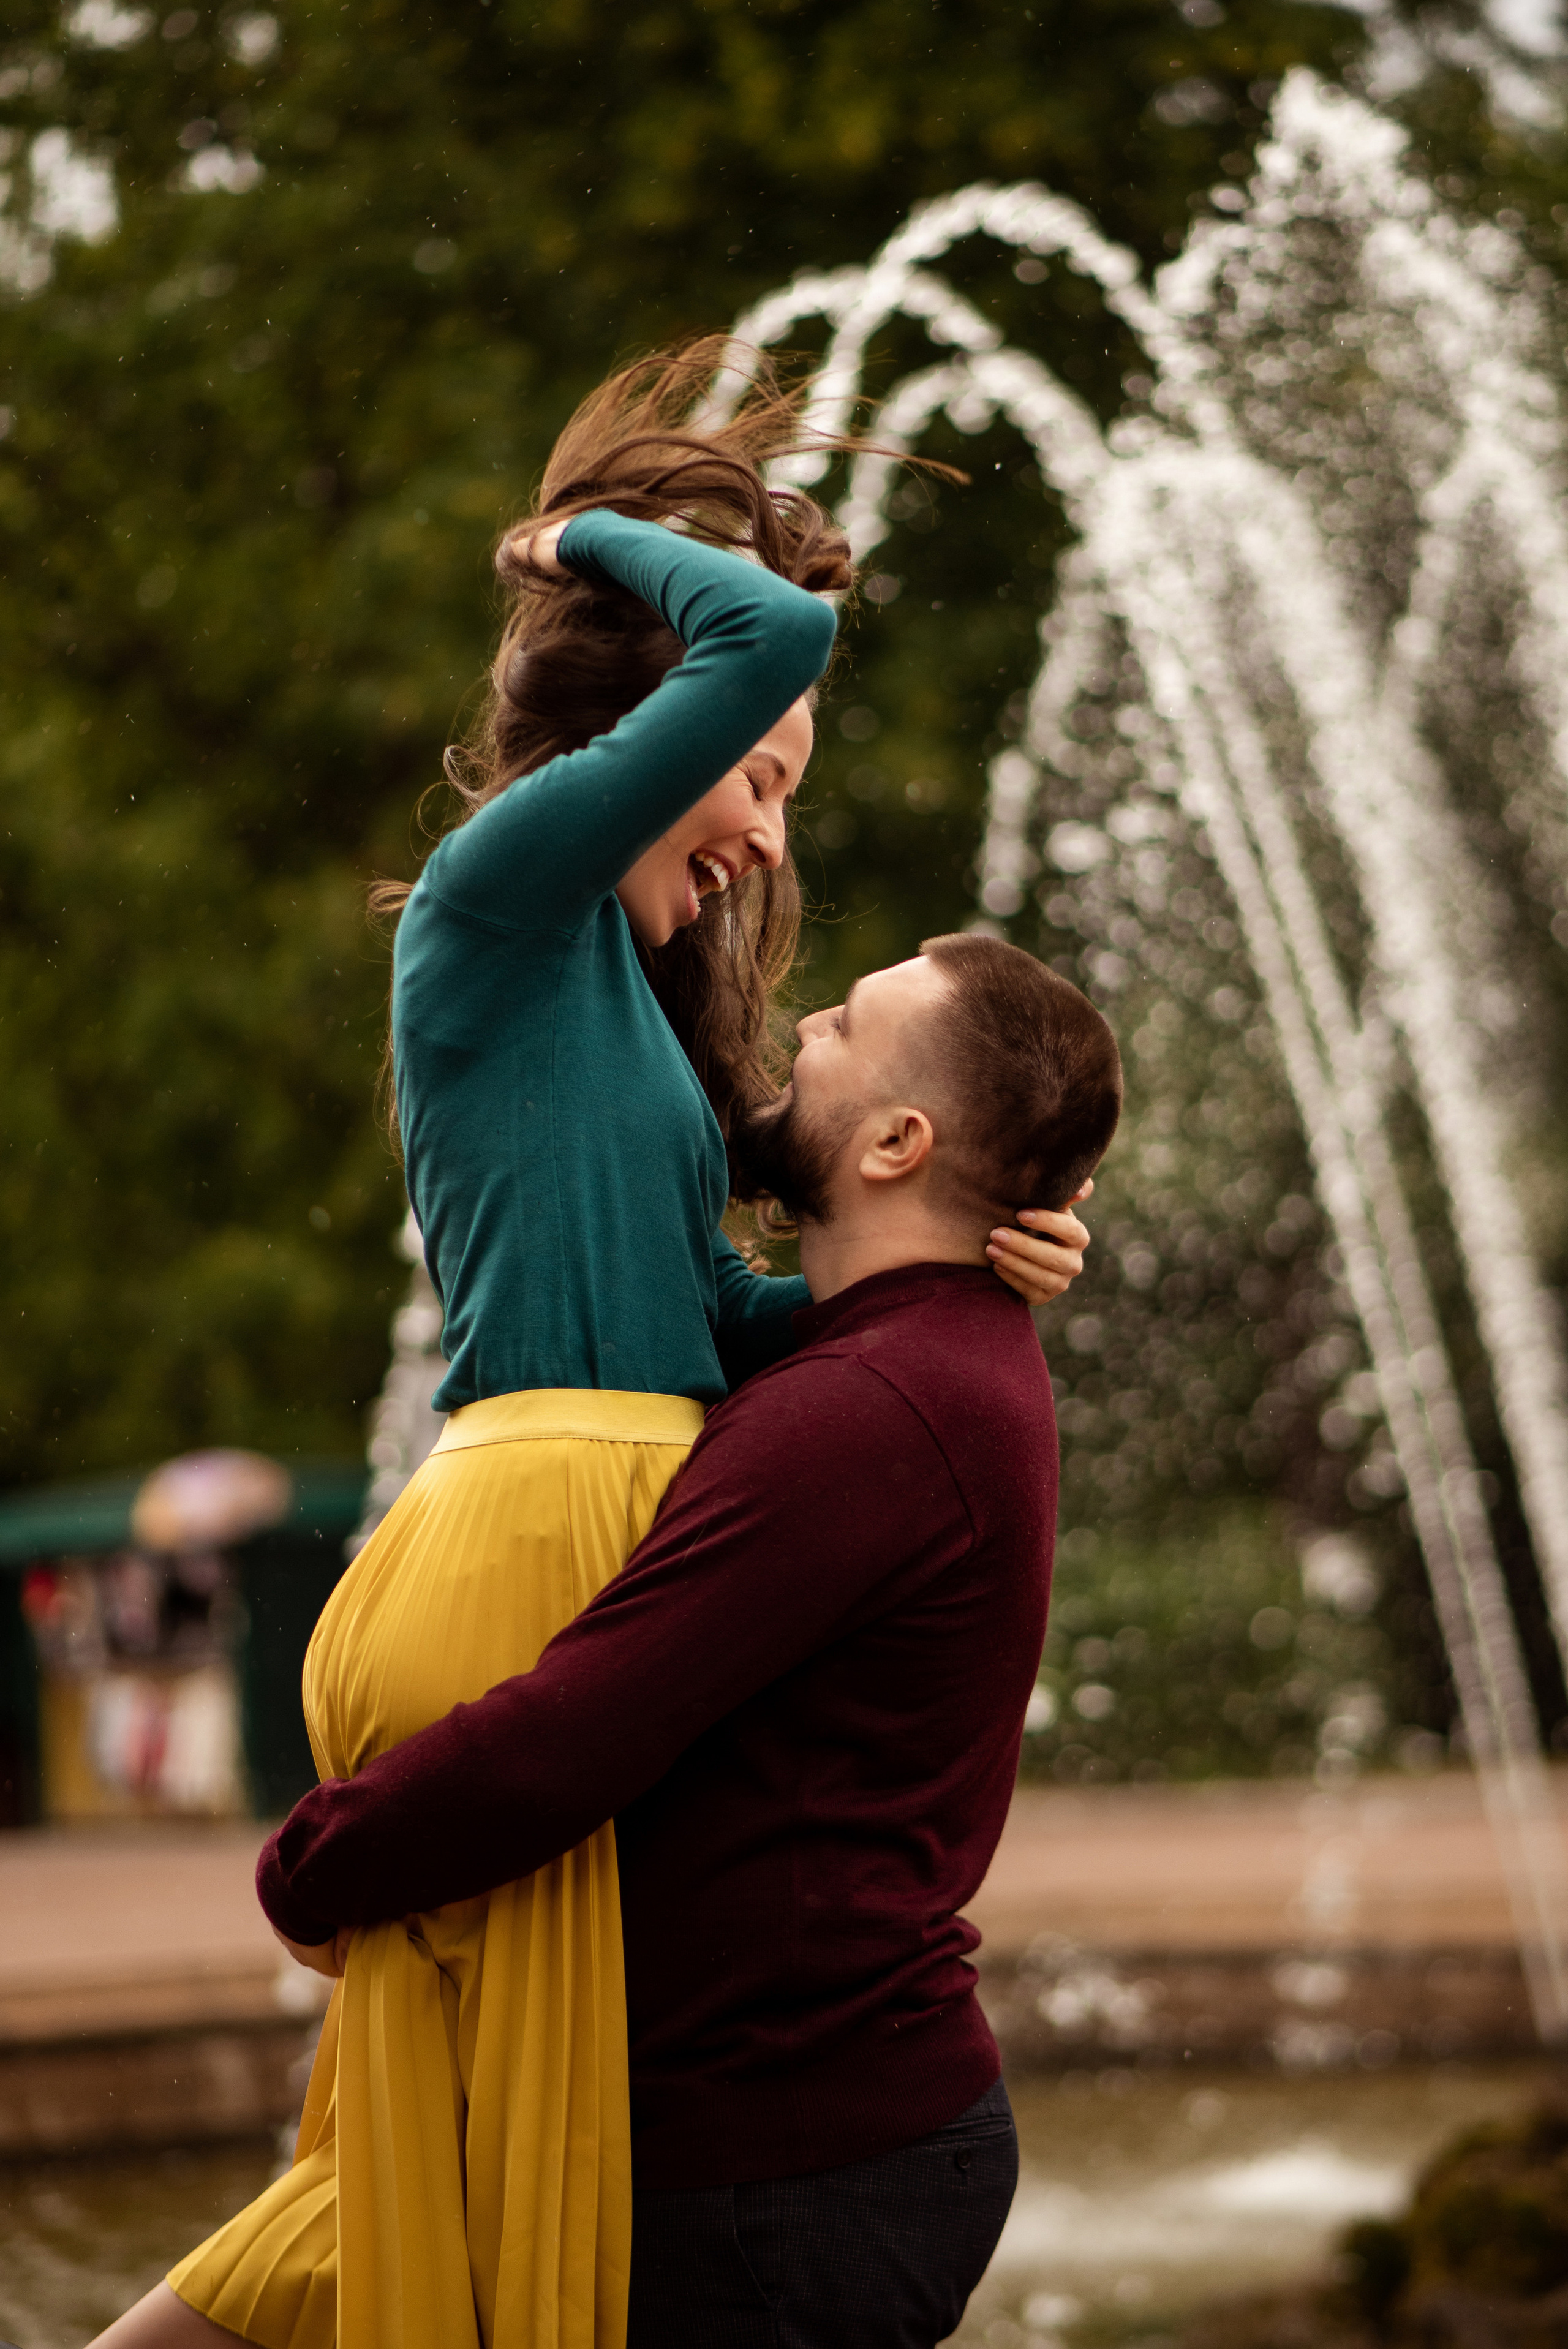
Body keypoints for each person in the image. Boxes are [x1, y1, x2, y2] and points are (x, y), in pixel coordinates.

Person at [91, 349, 1086, 2349]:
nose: (770, 838)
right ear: (652, 733)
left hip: (574, 1506)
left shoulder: (618, 1007)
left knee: (433, 2169)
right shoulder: (505, 891)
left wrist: (941, 1276)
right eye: (759, 769)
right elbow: (773, 621)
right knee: (509, 2199)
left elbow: (713, 1317)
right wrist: (576, 541)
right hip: (535, 1527)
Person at [252, 932, 1123, 2349]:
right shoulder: (907, 1359)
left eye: (842, 1025)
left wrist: (317, 1860)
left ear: (899, 1142)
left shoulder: (873, 1409)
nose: (803, 1031)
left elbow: (585, 1722)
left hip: (789, 2167)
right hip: (793, 2138)